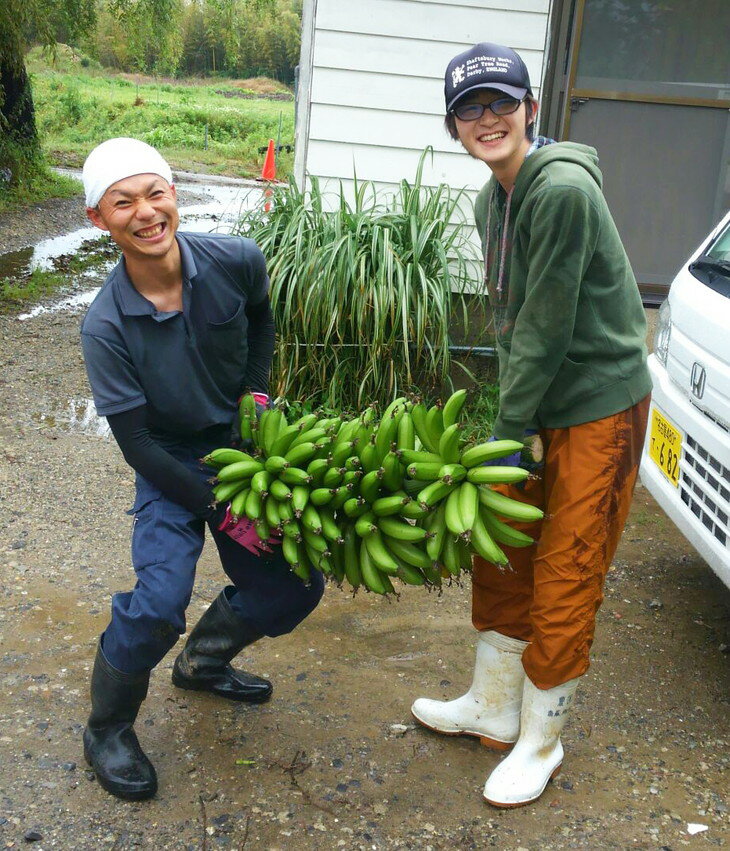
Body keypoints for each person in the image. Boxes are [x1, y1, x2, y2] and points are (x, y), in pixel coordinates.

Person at [411, 44, 652, 808]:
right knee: (507, 547)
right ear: (454, 126)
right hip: (543, 401)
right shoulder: (494, 198)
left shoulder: (563, 192)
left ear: (531, 110)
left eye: (500, 103)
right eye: (470, 109)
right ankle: (492, 701)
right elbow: (511, 324)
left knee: (567, 564)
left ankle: (541, 740)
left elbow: (546, 327)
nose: (487, 120)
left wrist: (509, 429)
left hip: (598, 404)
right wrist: (516, 423)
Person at [79, 137, 324, 801]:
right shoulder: (105, 327)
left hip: (241, 442)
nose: (146, 212)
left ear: (173, 195)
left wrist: (256, 389)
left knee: (296, 584)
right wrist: (219, 507)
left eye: (155, 192)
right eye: (123, 202)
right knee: (160, 601)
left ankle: (204, 660)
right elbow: (136, 444)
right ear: (101, 220)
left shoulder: (236, 259)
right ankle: (106, 726)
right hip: (167, 457)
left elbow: (261, 316)